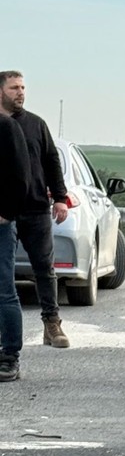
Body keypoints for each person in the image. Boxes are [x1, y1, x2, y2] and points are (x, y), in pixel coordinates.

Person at [0, 71, 70, 348]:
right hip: (4, 214)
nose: (21, 92)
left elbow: (52, 161)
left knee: (44, 268)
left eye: (23, 87)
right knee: (4, 277)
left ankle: (52, 324)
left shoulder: (36, 124)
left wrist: (61, 197)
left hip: (35, 208)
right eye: (14, 87)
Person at [0, 110, 32, 382]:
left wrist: (7, 213)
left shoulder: (7, 127)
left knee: (3, 291)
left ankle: (9, 356)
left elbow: (21, 175)